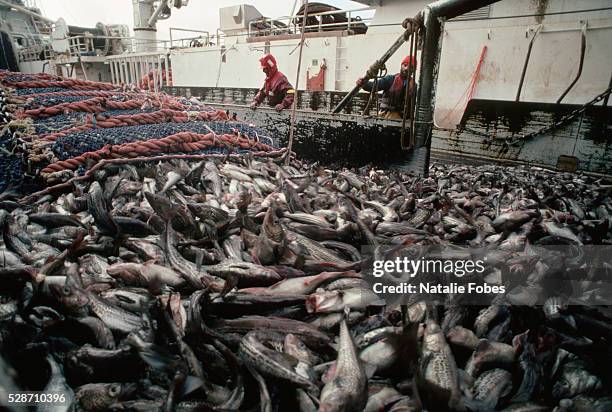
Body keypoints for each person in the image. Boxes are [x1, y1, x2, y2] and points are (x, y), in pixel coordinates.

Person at [356, 55, 417, 120]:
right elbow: (374, 86)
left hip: (404, 121)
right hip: (385, 117)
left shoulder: (414, 86)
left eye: (411, 67)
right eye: (405, 65)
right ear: (401, 65)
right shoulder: (390, 79)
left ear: (413, 70)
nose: (406, 68)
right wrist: (363, 83)